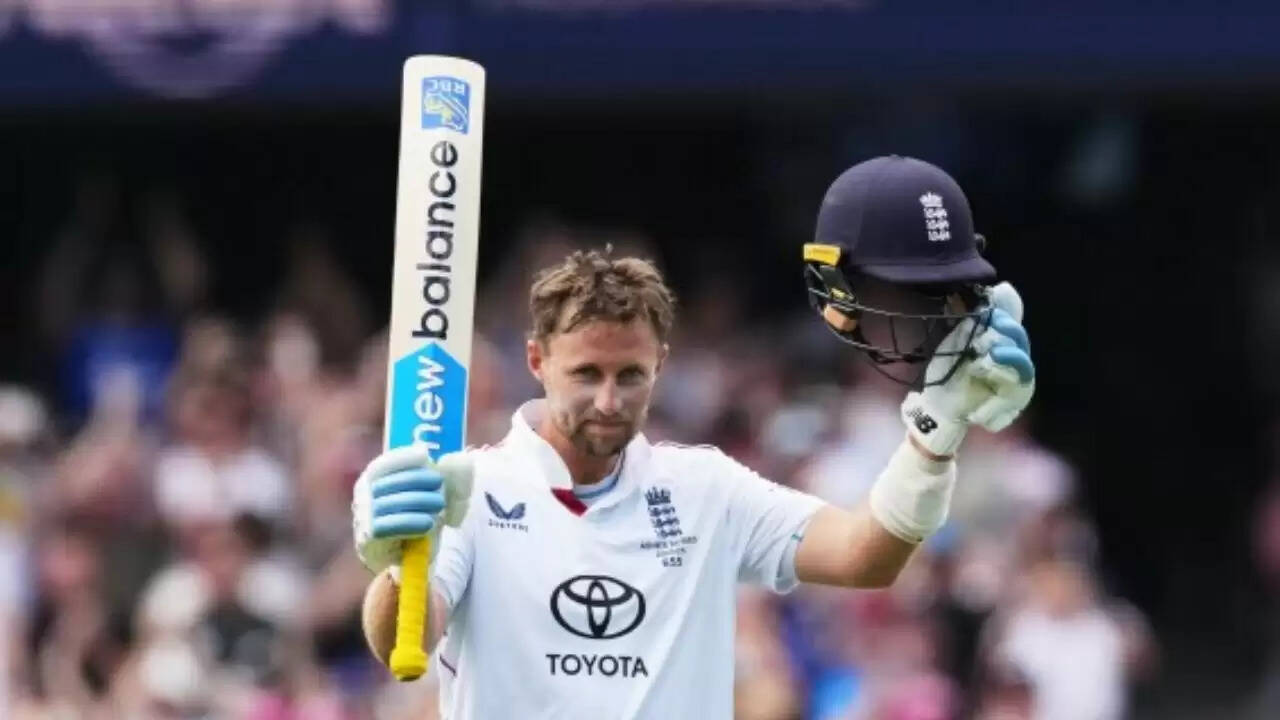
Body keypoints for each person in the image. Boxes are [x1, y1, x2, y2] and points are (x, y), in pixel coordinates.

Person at [351, 155, 1037, 718]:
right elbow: (404, 640)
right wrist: (395, 563)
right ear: (537, 361)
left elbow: (867, 556)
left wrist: (938, 429)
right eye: (585, 373)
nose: (609, 400)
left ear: (663, 366)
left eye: (632, 375)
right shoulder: (470, 490)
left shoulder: (706, 489)